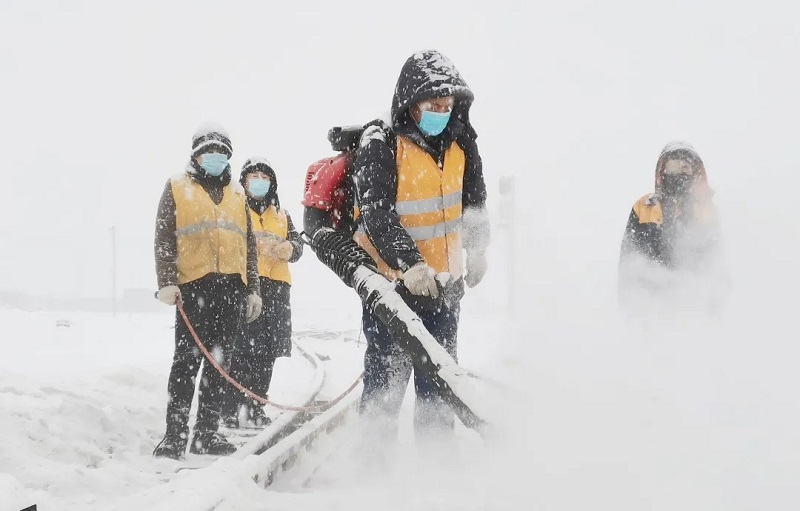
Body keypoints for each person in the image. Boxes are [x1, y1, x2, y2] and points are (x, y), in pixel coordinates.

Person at [351, 50, 490, 439]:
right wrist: (410, 264)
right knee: (386, 382)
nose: (441, 112)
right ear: (411, 102)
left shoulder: (461, 142)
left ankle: (436, 469)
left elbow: (475, 203)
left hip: (445, 288)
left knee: (440, 388)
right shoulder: (381, 142)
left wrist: (478, 248)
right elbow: (377, 213)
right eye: (433, 104)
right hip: (396, 288)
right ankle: (370, 468)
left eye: (448, 105)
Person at [152, 124, 263, 460]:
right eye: (208, 151)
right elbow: (163, 238)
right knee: (185, 364)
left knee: (220, 365)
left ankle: (206, 434)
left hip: (231, 288)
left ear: (228, 157)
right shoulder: (176, 187)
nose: (215, 157)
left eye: (221, 152)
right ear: (196, 155)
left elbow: (249, 245)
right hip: (192, 288)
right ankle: (174, 436)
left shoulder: (238, 194)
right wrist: (167, 281)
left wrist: (253, 289)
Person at [222, 157, 304, 428]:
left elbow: (298, 245)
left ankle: (257, 406)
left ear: (273, 183)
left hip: (278, 288)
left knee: (268, 351)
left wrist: (290, 248)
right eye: (253, 176)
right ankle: (230, 407)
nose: (259, 181)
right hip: (247, 287)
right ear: (243, 181)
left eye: (265, 176)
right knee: (241, 350)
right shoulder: (234, 209)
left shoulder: (282, 214)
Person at [618, 141, 727, 317]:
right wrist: (631, 306)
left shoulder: (706, 211)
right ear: (662, 171)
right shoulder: (643, 208)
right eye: (673, 167)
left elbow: (716, 261)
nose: (679, 174)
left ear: (696, 172)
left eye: (685, 167)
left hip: (693, 309)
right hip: (651, 309)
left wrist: (714, 309)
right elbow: (629, 260)